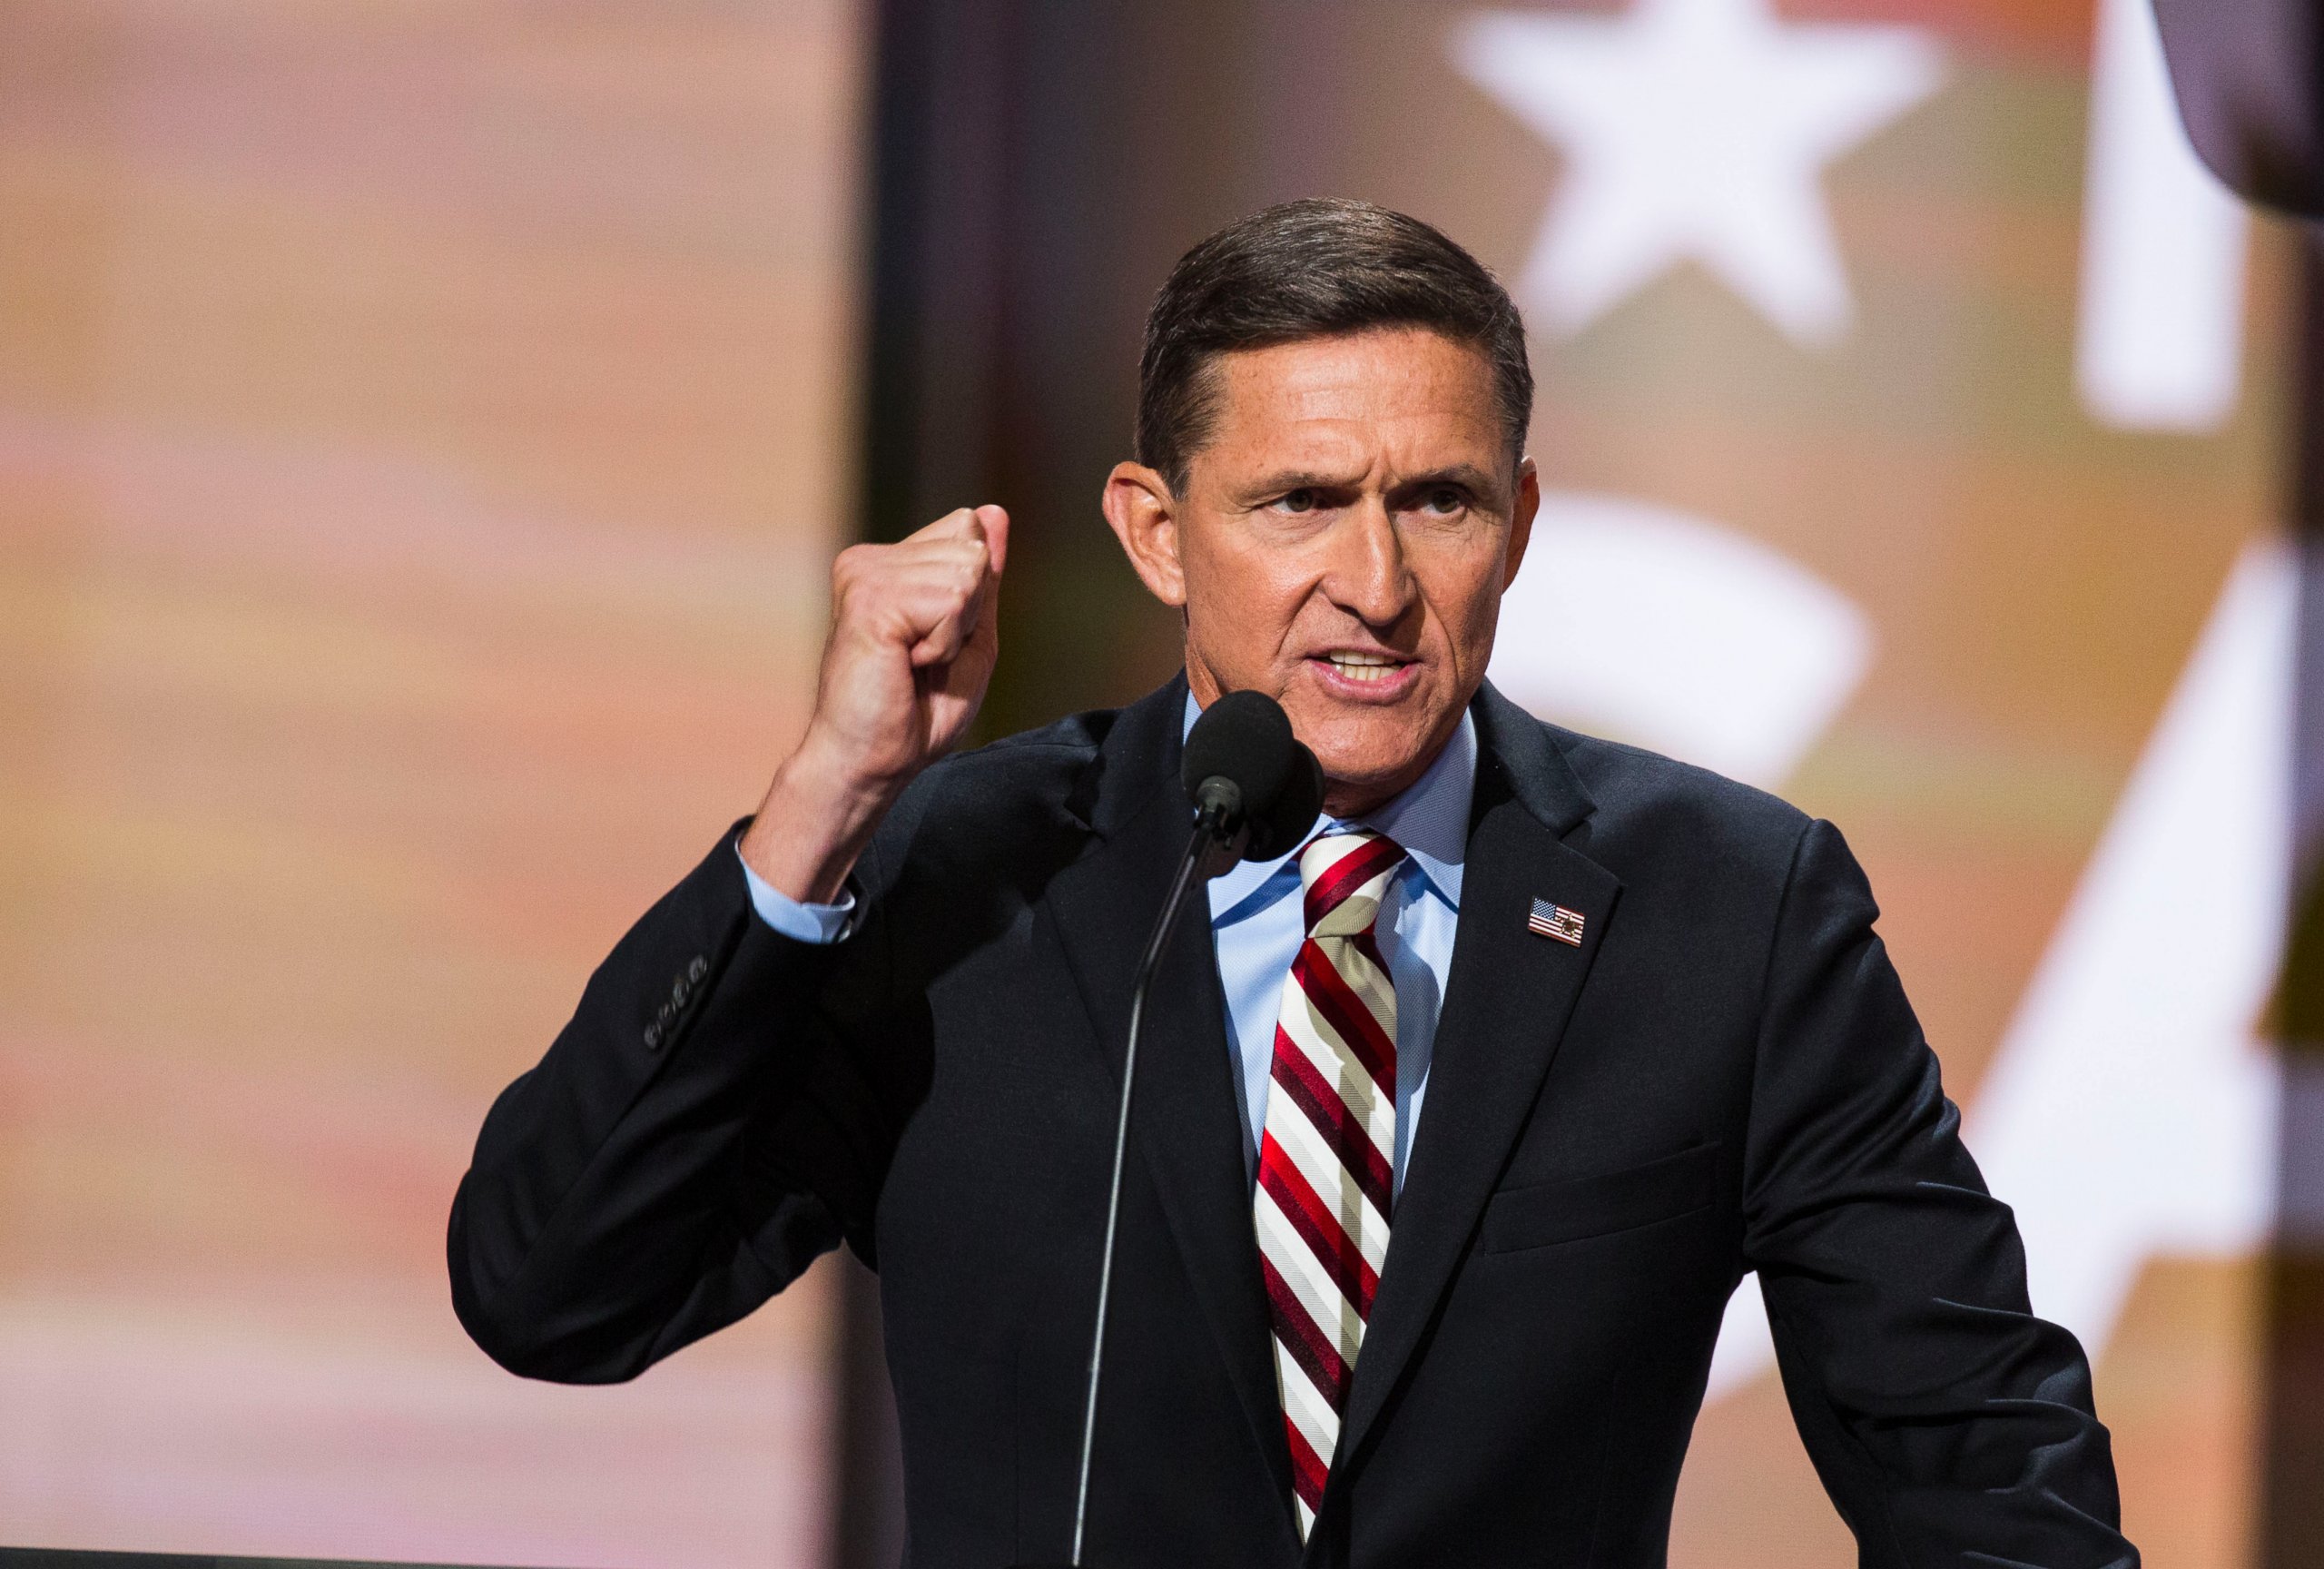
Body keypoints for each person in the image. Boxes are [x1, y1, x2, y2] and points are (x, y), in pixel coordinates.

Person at [448, 199, 2135, 1567]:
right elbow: (554, 1292)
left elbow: (1981, 1467)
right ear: (1159, 530)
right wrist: (824, 802)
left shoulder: (1730, 910)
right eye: (1302, 502)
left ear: (1523, 520)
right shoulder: (964, 879)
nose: (1377, 584)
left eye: (1442, 501)